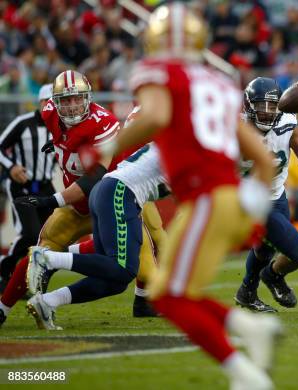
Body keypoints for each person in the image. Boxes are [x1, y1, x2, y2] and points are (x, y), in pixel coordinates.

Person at [79, 4, 280, 389]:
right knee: (172, 291)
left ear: (153, 40)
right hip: (230, 198)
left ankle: (246, 375)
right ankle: (249, 329)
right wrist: (251, 213)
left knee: (169, 299)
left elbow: (153, 116)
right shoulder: (220, 83)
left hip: (206, 197)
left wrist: (105, 151)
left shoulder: (158, 72)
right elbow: (260, 158)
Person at [0, 71, 155, 328]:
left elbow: (95, 177)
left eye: (77, 99)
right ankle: (3, 308)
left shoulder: (102, 123)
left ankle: (140, 300)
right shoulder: (50, 112)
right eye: (66, 100)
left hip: (107, 200)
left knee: (142, 271)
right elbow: (45, 114)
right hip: (77, 205)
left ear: (89, 99)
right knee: (39, 253)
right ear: (55, 103)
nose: (72, 106)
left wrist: (52, 200)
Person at [26, 141, 168, 330]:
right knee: (124, 268)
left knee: (115, 281)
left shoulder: (178, 140)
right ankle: (46, 258)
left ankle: (47, 302)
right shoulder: (187, 144)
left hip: (109, 191)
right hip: (120, 191)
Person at [234, 77, 298, 312]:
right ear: (248, 106)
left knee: (265, 249)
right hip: (250, 198)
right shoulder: (235, 128)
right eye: (260, 106)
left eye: (272, 105)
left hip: (277, 196)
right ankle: (273, 276)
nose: (267, 112)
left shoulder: (287, 122)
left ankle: (247, 292)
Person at [0, 84, 56, 288]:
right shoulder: (22, 123)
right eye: (48, 102)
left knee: (50, 236)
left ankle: (31, 280)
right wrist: (11, 166)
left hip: (46, 186)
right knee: (31, 234)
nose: (52, 107)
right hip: (21, 185)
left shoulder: (61, 125)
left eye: (55, 102)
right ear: (40, 103)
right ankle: (4, 270)